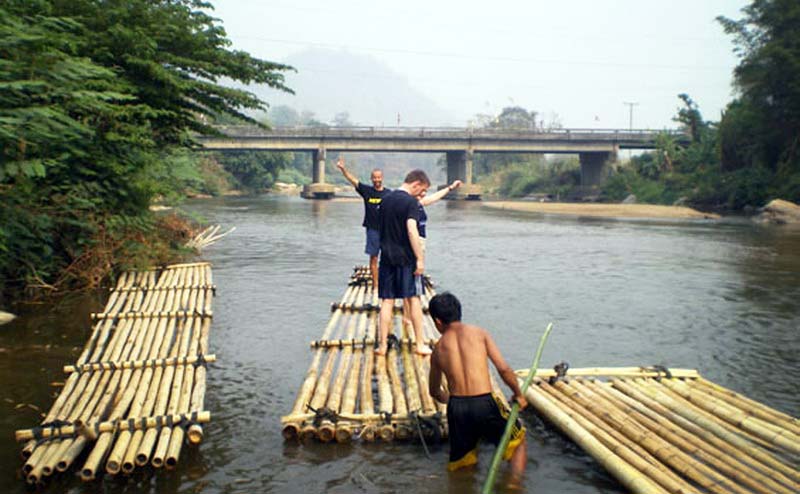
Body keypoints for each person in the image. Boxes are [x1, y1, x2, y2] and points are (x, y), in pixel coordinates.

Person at [427, 292, 527, 484]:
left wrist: (453, 400)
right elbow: (504, 369)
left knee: (462, 462)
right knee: (518, 441)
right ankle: (513, 486)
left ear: (438, 322)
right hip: (485, 403)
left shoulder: (438, 350)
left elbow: (434, 391)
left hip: (457, 408)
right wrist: (518, 394)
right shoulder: (479, 333)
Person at [375, 169, 430, 356]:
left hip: (387, 258)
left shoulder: (385, 200)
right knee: (413, 299)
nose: (420, 194)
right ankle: (420, 344)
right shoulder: (410, 203)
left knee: (387, 301)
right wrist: (420, 259)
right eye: (421, 190)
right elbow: (411, 230)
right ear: (415, 184)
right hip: (406, 259)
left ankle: (382, 346)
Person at [401, 179, 463, 328]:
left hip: (420, 243)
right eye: (421, 191)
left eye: (424, 192)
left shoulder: (419, 204)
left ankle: (408, 315)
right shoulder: (409, 204)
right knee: (410, 279)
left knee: (412, 278)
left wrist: (450, 188)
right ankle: (407, 315)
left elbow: (434, 198)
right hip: (414, 244)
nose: (423, 194)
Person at [336, 156, 389, 290]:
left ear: (382, 178)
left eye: (379, 177)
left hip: (386, 230)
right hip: (372, 230)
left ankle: (387, 282)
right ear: (372, 179)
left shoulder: (389, 194)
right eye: (374, 178)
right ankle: (376, 285)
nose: (377, 180)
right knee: (373, 258)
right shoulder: (367, 191)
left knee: (388, 258)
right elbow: (353, 180)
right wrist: (343, 169)